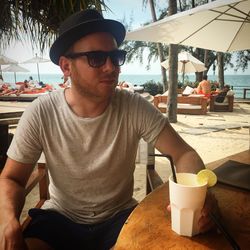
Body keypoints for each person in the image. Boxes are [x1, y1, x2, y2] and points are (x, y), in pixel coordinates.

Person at [0, 9, 218, 250]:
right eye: (96, 58)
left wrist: (198, 194)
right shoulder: (42, 113)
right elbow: (11, 178)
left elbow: (183, 153)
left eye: (115, 57)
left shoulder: (133, 106)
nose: (110, 67)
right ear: (66, 66)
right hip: (60, 218)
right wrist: (7, 219)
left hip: (119, 217)